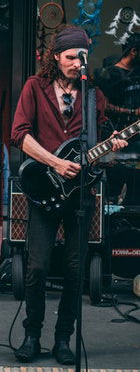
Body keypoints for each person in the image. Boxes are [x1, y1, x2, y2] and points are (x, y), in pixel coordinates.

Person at [10, 25, 126, 365]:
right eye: (72, 57)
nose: (78, 63)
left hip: (80, 195)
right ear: (56, 57)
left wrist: (112, 144)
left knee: (75, 270)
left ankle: (63, 338)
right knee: (37, 267)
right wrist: (55, 163)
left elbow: (94, 146)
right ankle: (32, 335)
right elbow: (19, 135)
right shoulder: (35, 87)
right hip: (44, 187)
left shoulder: (94, 95)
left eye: (82, 57)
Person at [94, 34, 140, 203]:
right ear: (134, 51)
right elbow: (102, 105)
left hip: (137, 144)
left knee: (135, 196)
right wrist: (132, 112)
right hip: (115, 141)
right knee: (111, 195)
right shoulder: (110, 75)